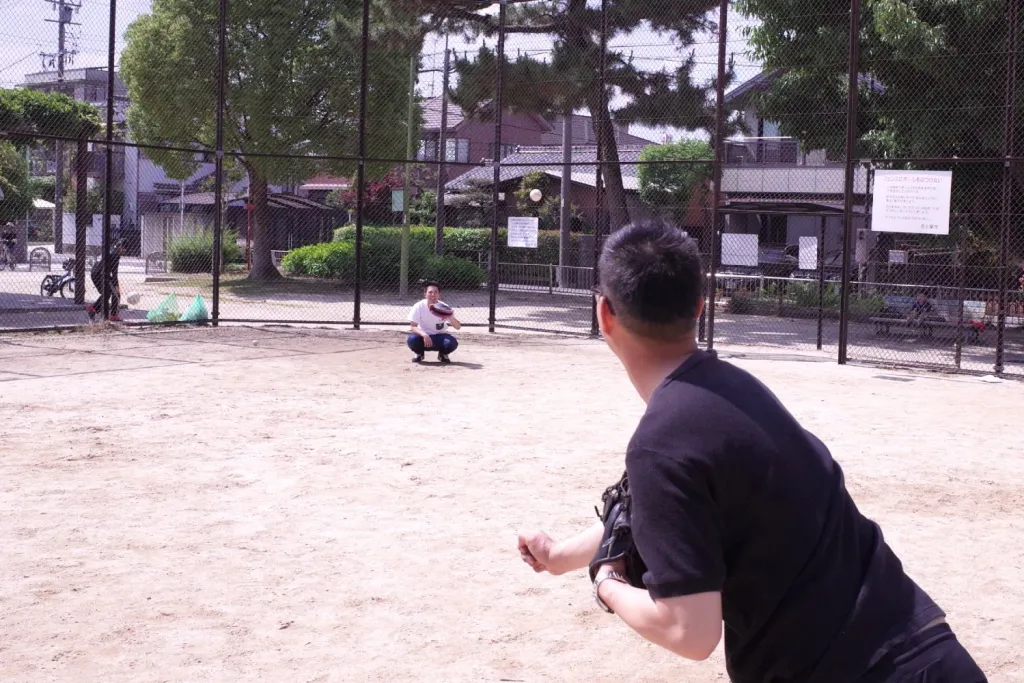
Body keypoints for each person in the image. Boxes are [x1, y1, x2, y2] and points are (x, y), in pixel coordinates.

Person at [516, 220, 986, 683]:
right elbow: (659, 521)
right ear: (700, 307)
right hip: (929, 653)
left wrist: (607, 584)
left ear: (604, 314)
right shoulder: (732, 392)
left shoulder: (661, 444)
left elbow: (689, 632)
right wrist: (558, 555)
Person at [407, 281, 461, 363]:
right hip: (423, 337)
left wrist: (450, 316)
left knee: (452, 343)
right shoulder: (418, 306)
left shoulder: (444, 307)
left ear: (439, 294)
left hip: (439, 337)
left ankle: (443, 354)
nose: (433, 294)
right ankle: (419, 353)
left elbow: (458, 327)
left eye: (436, 292)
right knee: (412, 339)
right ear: (425, 294)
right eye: (430, 292)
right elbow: (413, 326)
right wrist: (424, 335)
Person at [86, 239, 126, 322]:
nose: (124, 250)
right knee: (116, 294)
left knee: (107, 294)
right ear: (119, 246)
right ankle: (113, 315)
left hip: (100, 273)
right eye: (123, 247)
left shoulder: (114, 252)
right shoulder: (115, 255)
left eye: (125, 248)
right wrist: (116, 286)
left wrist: (115, 285)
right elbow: (114, 273)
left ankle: (93, 309)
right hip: (99, 274)